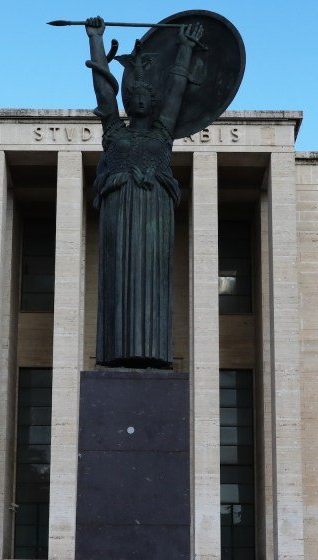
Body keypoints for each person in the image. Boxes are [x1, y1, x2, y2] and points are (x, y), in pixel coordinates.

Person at [83, 16, 204, 368]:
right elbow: (103, 90)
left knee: (153, 282)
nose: (138, 99)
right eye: (133, 95)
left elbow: (177, 92)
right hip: (119, 210)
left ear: (153, 101)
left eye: (145, 95)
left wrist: (185, 48)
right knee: (117, 280)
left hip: (154, 210)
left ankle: (154, 351)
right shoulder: (114, 132)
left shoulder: (162, 134)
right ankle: (114, 352)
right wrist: (95, 41)